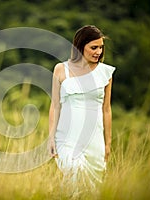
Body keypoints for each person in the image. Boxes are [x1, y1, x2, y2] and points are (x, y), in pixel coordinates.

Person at [48, 25, 115, 194]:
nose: (98, 51)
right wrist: (50, 138)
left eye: (101, 47)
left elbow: (106, 109)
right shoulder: (61, 70)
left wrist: (108, 143)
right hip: (66, 136)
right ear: (80, 46)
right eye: (94, 47)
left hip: (95, 140)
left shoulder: (105, 73)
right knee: (73, 171)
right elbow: (55, 105)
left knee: (92, 190)